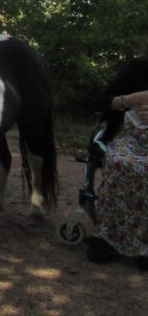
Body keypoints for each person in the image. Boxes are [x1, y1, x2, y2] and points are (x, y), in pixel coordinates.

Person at [85, 58, 148, 269]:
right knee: (122, 164)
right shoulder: (138, 68)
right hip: (128, 136)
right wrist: (131, 99)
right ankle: (108, 236)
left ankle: (144, 244)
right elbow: (100, 102)